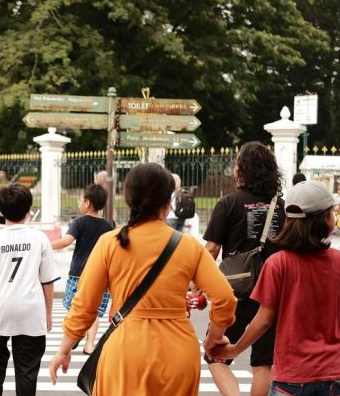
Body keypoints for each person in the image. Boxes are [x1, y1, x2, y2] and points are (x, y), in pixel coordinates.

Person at [49, 163, 237, 395]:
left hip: (125, 351)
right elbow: (225, 299)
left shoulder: (110, 243)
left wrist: (65, 349)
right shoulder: (188, 246)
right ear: (168, 203)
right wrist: (214, 340)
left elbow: (84, 305)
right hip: (178, 353)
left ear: (128, 199)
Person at [208, 180, 340, 395]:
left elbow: (263, 321)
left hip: (292, 376)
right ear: (326, 221)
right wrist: (329, 349)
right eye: (332, 213)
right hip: (333, 373)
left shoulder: (278, 264)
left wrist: (235, 349)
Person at [203, 141, 285, 396]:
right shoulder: (281, 206)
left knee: (214, 354)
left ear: (243, 169)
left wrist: (198, 284)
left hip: (234, 293)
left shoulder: (228, 203)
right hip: (273, 293)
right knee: (263, 363)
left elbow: (211, 250)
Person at [0, 183, 60, 396]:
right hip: (31, 311)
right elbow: (47, 281)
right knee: (27, 371)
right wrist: (48, 312)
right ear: (28, 210)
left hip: (0, 310)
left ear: (1, 209)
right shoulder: (40, 239)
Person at [50, 184, 113, 354]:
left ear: (87, 202)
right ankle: (89, 344)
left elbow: (66, 241)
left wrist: (46, 246)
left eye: (80, 199)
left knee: (74, 308)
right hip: (100, 275)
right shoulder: (108, 226)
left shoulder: (78, 222)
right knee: (93, 311)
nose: (79, 202)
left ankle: (75, 334)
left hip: (78, 274)